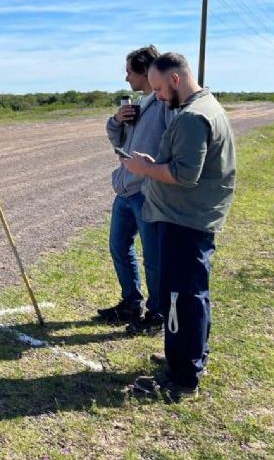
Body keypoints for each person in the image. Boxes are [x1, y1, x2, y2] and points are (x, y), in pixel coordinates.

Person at [122, 52, 236, 399]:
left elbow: (184, 176)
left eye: (157, 88)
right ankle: (190, 356)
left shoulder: (191, 117)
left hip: (184, 220)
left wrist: (145, 169)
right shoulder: (207, 105)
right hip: (194, 218)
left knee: (180, 298)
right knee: (193, 294)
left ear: (175, 79)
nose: (156, 96)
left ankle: (182, 378)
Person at [97, 45, 173, 336]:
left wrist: (154, 173)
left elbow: (172, 146)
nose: (126, 77)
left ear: (145, 72)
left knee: (153, 257)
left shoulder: (165, 104)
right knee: (119, 246)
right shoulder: (138, 104)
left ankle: (157, 313)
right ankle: (131, 303)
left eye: (130, 71)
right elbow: (116, 138)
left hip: (148, 192)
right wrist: (117, 120)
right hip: (125, 190)